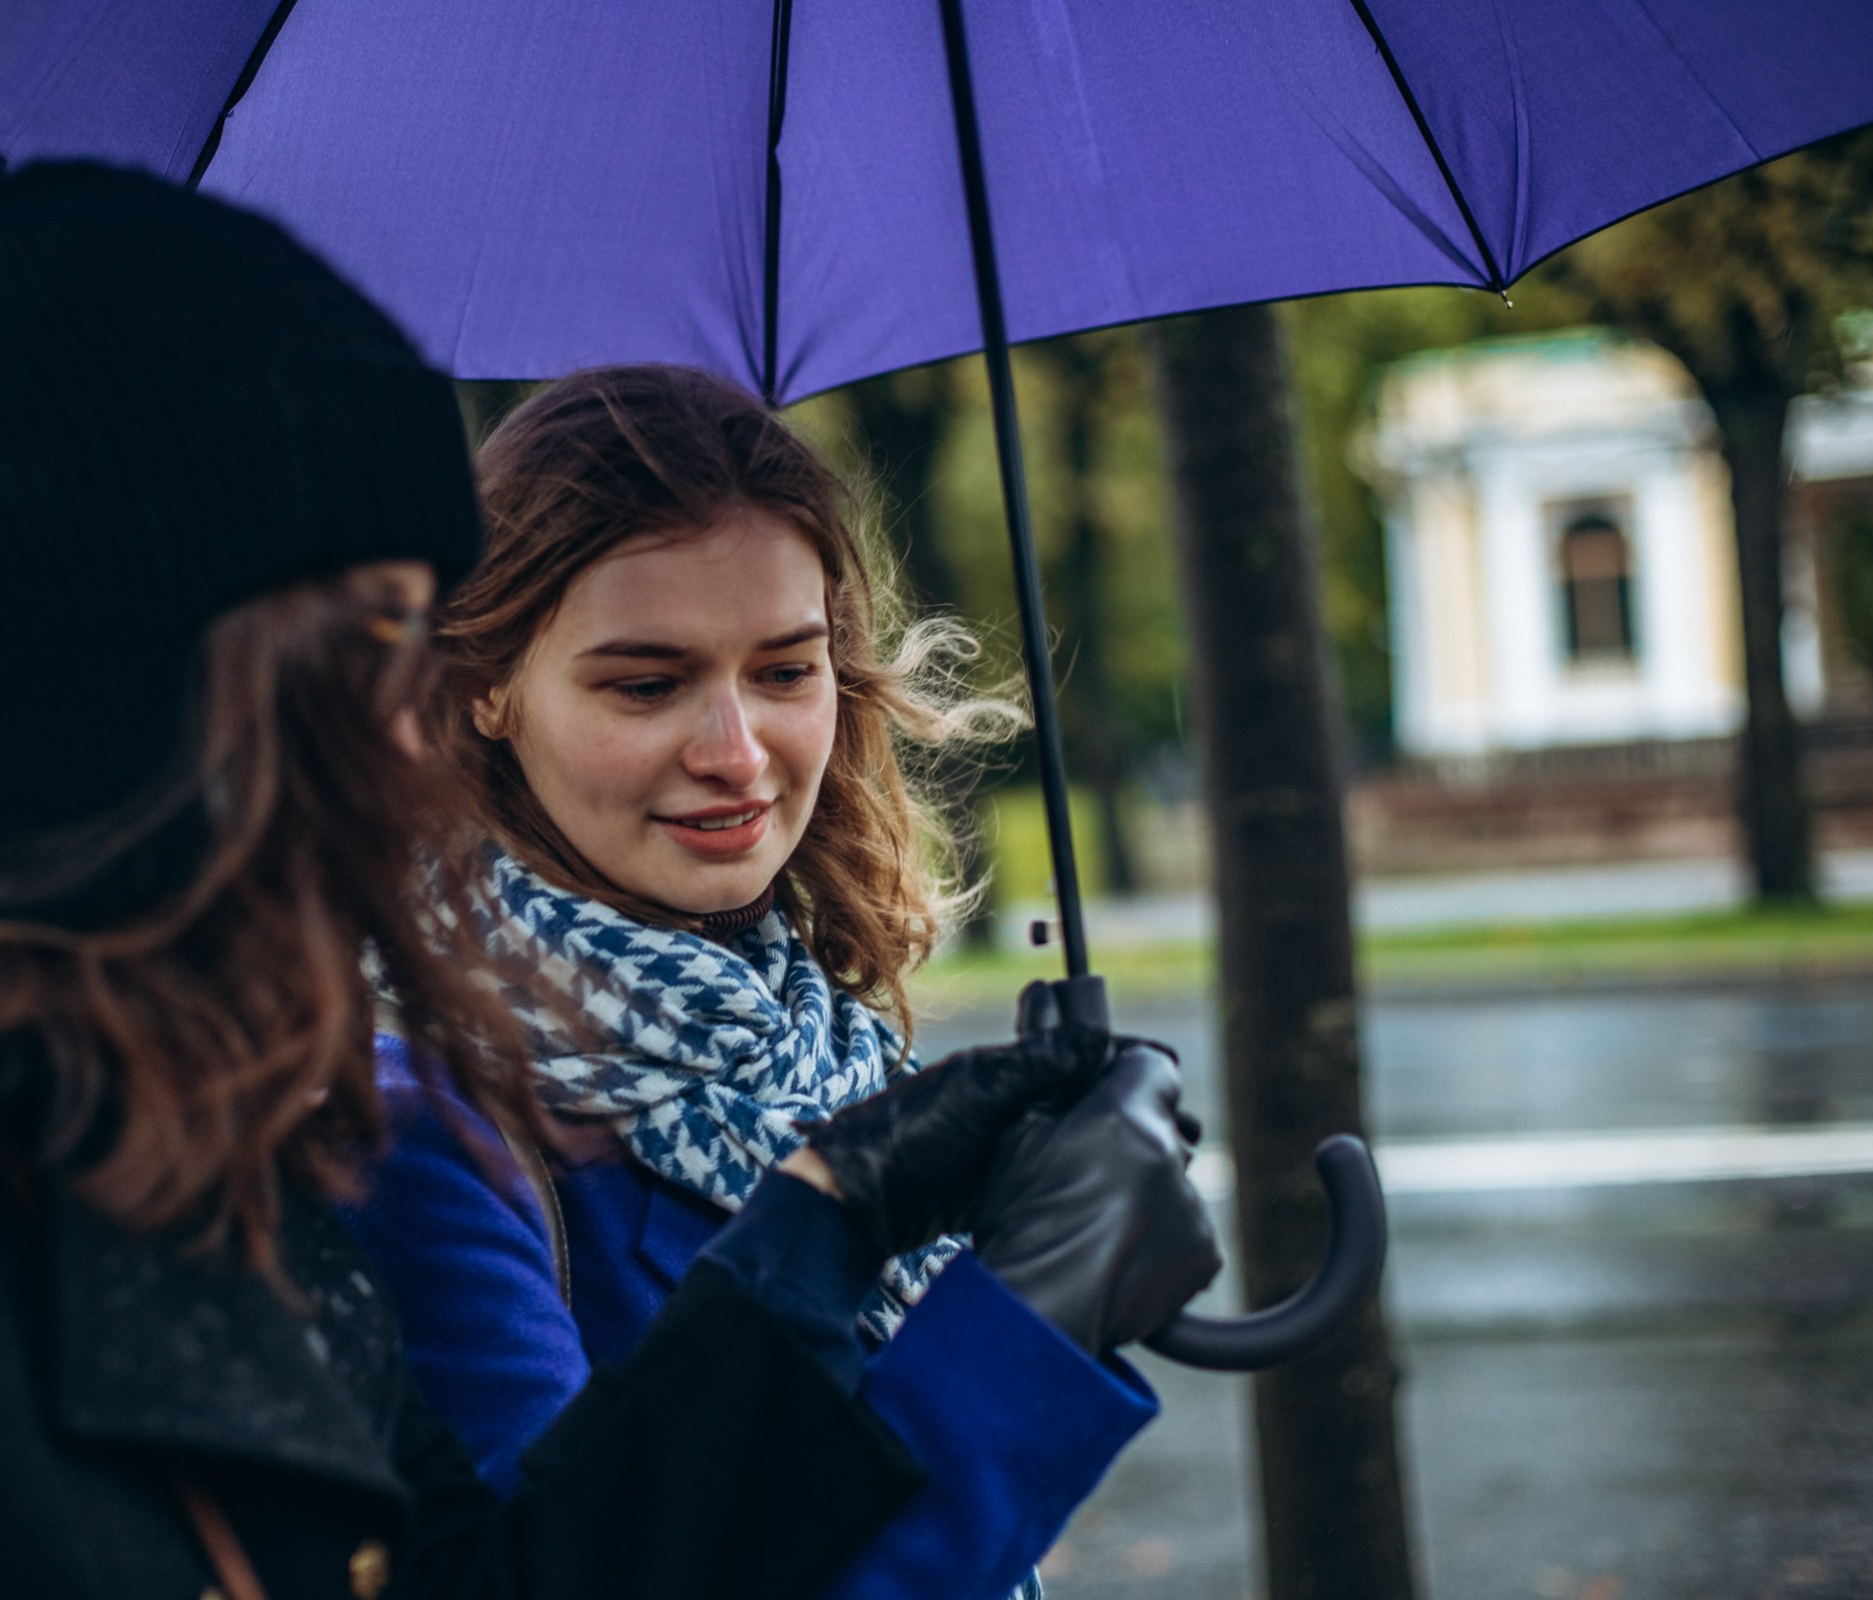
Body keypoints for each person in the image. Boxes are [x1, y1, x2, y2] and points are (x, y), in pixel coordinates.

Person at [0, 167, 1165, 1600]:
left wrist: (831, 1215)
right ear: (143, 658)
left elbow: (515, 1589)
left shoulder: (205, 1122)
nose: (418, 725)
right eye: (377, 638)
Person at [343, 364, 1222, 1600]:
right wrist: (1022, 1332)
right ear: (485, 687)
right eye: (646, 684)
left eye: (785, 670)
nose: (736, 753)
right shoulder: (428, 1139)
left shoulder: (827, 1051)